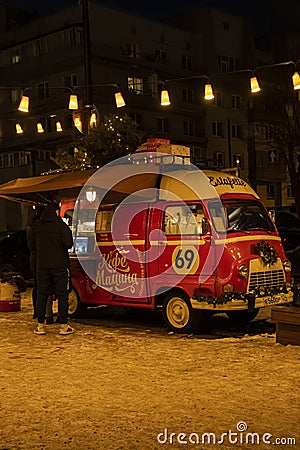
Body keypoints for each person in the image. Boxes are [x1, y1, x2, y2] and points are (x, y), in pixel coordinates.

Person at [27, 203, 74, 335]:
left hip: (41, 266)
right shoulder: (61, 226)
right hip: (59, 265)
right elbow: (68, 244)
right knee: (62, 295)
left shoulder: (37, 227)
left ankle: (40, 325)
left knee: (42, 294)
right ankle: (64, 326)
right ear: (56, 212)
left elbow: (32, 246)